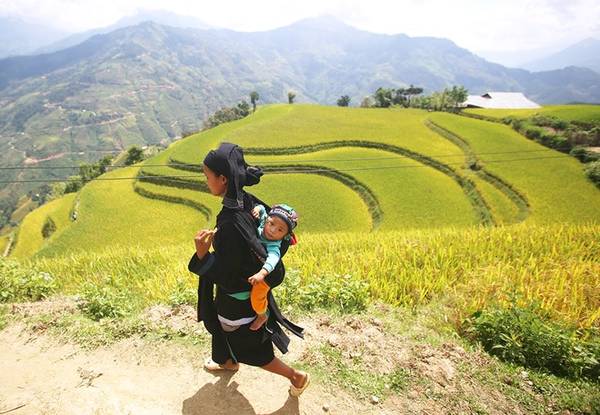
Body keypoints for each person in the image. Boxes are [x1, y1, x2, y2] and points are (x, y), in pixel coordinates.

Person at [187, 142, 310, 397]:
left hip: (238, 300)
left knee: (250, 348)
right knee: (219, 327)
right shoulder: (246, 200)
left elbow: (230, 277)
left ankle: (296, 376)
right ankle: (228, 362)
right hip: (248, 289)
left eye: (207, 177)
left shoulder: (230, 222)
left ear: (223, 179)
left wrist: (202, 255)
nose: (205, 181)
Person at [247, 203, 298, 331]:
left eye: (280, 230)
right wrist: (258, 209)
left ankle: (262, 315)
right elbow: (263, 209)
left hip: (270, 275)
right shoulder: (264, 221)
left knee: (257, 296)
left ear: (285, 235)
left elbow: (272, 260)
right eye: (272, 223)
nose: (273, 230)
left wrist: (262, 274)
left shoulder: (274, 245)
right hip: (258, 268)